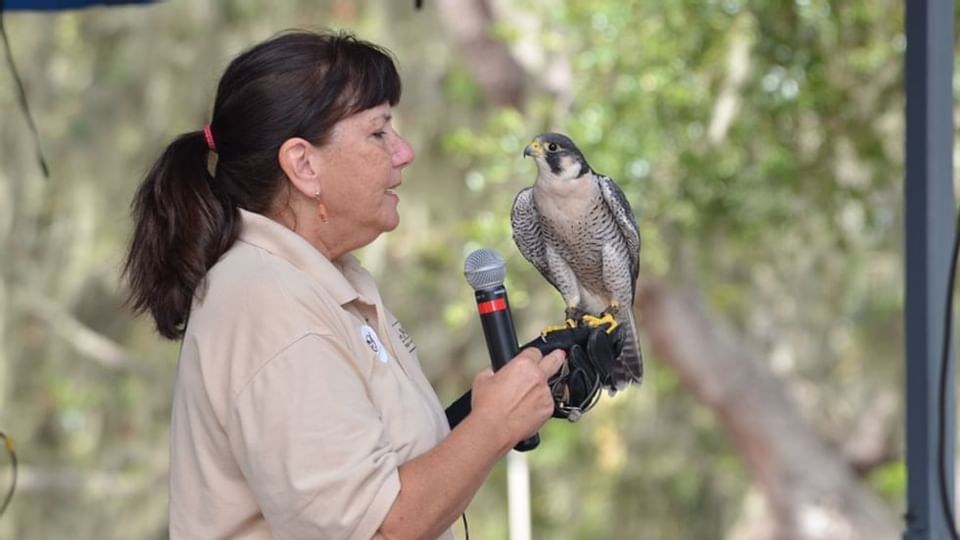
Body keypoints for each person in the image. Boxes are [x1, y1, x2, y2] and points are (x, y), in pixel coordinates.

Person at [123, 30, 564, 540]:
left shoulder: (316, 281)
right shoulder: (268, 303)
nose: (404, 152)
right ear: (303, 165)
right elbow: (373, 529)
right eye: (378, 133)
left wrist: (490, 411)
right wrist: (492, 427)